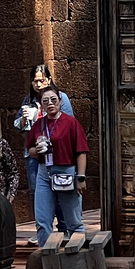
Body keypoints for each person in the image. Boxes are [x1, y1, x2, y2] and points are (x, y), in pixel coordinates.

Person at [26, 83, 88, 246]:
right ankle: (46, 257)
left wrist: (80, 177)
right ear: (41, 105)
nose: (50, 103)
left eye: (53, 99)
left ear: (60, 101)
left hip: (66, 171)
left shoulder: (71, 123)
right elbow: (30, 149)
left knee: (73, 220)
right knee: (42, 220)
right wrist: (37, 150)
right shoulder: (38, 124)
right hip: (44, 172)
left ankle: (78, 255)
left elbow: (81, 151)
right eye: (45, 101)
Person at [15, 63, 72, 201]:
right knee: (36, 190)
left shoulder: (61, 98)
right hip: (34, 152)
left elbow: (69, 123)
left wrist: (40, 116)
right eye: (36, 81)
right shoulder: (28, 100)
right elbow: (17, 126)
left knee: (60, 187)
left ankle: (62, 222)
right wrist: (23, 120)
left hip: (57, 151)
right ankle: (42, 221)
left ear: (49, 80)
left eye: (42, 80)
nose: (39, 84)